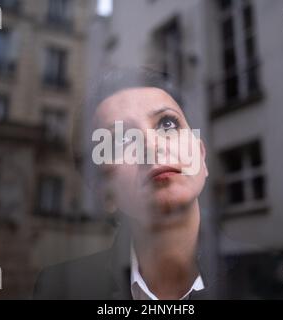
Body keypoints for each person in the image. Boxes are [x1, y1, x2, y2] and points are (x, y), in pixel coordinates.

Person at [33, 68, 224, 300]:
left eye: (167, 124)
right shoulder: (62, 291)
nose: (152, 147)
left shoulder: (269, 278)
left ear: (201, 157)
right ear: (103, 191)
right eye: (122, 139)